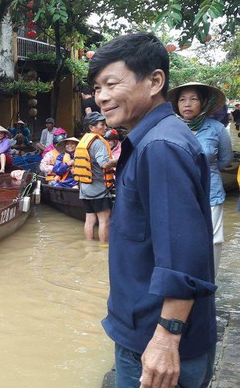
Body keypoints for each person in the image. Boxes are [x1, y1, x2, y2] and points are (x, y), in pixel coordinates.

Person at [89, 32, 216, 388]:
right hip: (142, 333)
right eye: (97, 88)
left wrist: (166, 338)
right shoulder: (151, 139)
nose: (101, 97)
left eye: (111, 84)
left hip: (154, 344)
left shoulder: (160, 146)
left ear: (155, 80)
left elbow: (182, 257)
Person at [168, 82, 232, 276]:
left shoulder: (217, 129)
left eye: (193, 99)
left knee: (213, 240)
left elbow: (225, 159)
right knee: (182, 238)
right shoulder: (171, 128)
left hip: (211, 191)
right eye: (182, 99)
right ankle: (185, 281)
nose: (187, 104)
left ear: (203, 103)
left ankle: (209, 283)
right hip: (180, 193)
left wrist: (205, 170)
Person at [73, 112, 115, 243]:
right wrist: (121, 159)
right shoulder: (98, 143)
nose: (105, 127)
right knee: (104, 220)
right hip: (98, 189)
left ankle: (90, 246)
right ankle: (103, 248)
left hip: (85, 189)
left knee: (90, 220)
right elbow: (105, 163)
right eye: (102, 125)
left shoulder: (83, 141)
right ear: (92, 127)